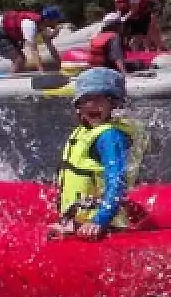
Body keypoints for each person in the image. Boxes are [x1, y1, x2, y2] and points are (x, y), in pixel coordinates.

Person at [48, 67, 146, 240]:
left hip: (104, 224)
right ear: (78, 105)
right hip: (79, 221)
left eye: (99, 99)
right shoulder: (84, 131)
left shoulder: (109, 137)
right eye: (86, 99)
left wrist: (99, 221)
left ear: (114, 104)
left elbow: (117, 182)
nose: (92, 105)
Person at [0, 5, 64, 73]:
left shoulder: (42, 26)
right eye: (56, 20)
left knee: (20, 60)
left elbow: (51, 47)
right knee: (19, 60)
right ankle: (9, 82)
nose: (58, 22)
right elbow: (34, 51)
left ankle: (16, 74)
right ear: (48, 20)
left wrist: (61, 67)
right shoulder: (30, 26)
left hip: (7, 30)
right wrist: (42, 72)